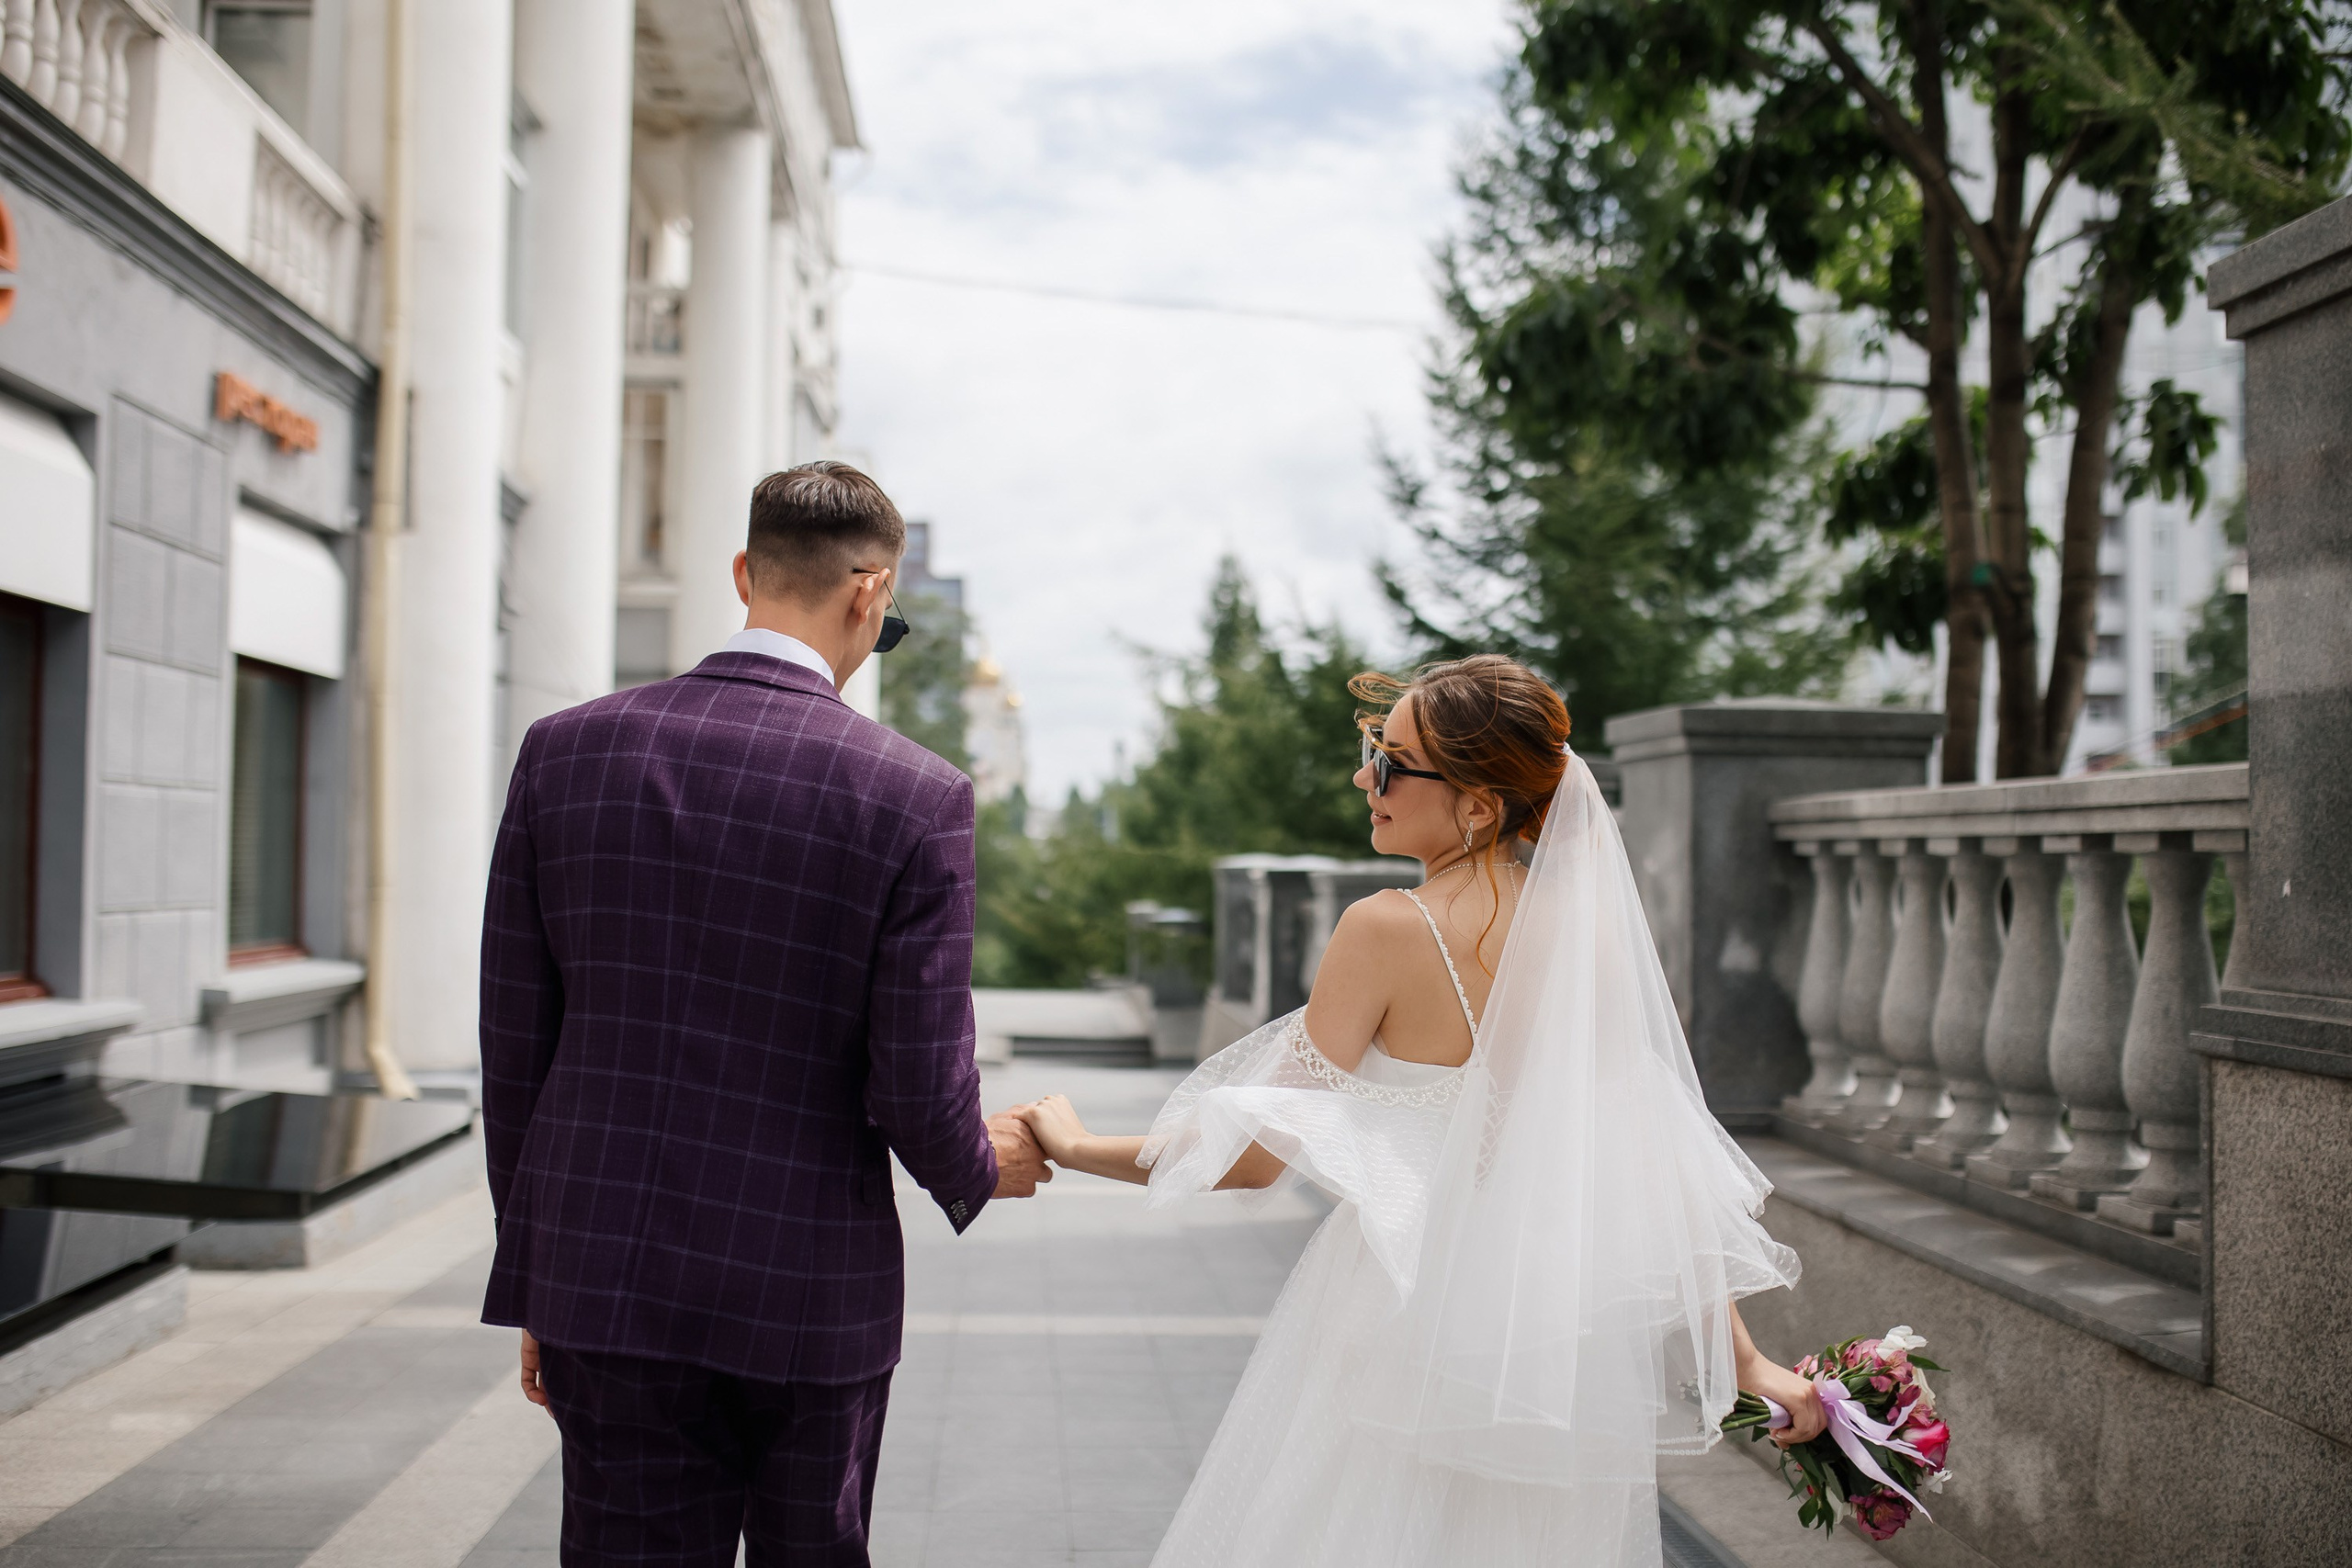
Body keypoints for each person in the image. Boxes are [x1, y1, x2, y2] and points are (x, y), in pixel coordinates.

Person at [1017, 655, 1828, 1568]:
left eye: (1393, 763)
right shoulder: (1585, 929)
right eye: (1373, 750)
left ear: (1479, 804)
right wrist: (1748, 1360)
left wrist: (1077, 1145)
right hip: (1550, 1346)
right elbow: (1644, 1164)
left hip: (1400, 1319)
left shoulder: (1385, 928)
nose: (1366, 778)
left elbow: (1254, 1157)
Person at [478, 461, 1049, 1567]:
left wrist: (538, 1267)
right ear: (871, 595)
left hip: (603, 1271)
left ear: (744, 572)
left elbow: (517, 1045)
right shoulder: (914, 794)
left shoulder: (565, 752)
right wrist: (982, 1165)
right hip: (808, 1286)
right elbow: (916, 1080)